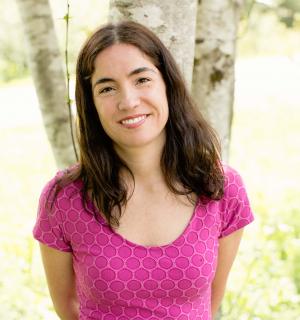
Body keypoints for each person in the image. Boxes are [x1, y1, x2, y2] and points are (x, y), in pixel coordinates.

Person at [33, 21, 254, 320]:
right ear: (92, 104)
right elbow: (68, 308)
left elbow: (210, 301)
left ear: (167, 84)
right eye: (107, 88)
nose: (128, 101)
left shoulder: (220, 187)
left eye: (142, 80)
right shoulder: (64, 199)